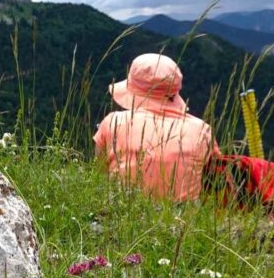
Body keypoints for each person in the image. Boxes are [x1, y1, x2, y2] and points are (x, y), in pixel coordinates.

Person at [93, 53, 220, 201]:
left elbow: (99, 176)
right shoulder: (202, 131)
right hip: (182, 220)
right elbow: (214, 179)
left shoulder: (113, 122)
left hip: (121, 215)